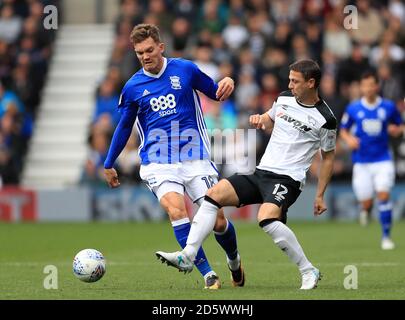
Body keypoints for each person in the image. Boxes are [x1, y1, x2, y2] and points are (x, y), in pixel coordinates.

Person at [156, 59, 337, 290]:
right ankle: (188, 254)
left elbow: (328, 157)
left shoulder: (326, 118)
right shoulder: (284, 98)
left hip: (288, 179)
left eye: (295, 81)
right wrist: (260, 119)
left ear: (311, 83)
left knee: (266, 218)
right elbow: (270, 117)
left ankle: (308, 269)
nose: (290, 85)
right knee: (213, 195)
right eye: (289, 80)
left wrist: (320, 195)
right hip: (262, 172)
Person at [103, 24, 245, 289]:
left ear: (160, 47)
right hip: (158, 161)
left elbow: (215, 92)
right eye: (139, 53)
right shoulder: (133, 86)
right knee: (176, 210)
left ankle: (234, 260)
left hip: (195, 156)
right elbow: (124, 126)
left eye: (148, 50)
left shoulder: (185, 69)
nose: (145, 56)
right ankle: (208, 274)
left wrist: (228, 81)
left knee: (217, 220)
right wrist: (109, 162)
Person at [339, 71, 404, 250]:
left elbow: (400, 124)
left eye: (371, 85)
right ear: (361, 87)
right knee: (366, 201)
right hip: (361, 162)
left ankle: (386, 237)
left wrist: (397, 130)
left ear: (377, 86)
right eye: (364, 85)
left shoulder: (388, 107)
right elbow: (343, 129)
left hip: (383, 159)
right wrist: (349, 139)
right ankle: (365, 210)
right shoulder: (353, 108)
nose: (368, 88)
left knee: (383, 195)